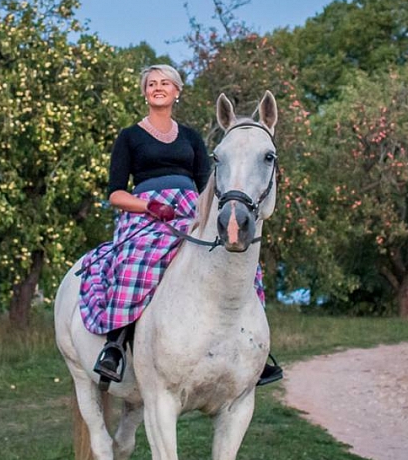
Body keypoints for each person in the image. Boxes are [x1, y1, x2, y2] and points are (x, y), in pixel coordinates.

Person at [75, 64, 283, 387]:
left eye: (165, 83)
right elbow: (115, 194)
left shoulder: (190, 137)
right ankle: (115, 346)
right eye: (151, 83)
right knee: (136, 260)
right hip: (145, 213)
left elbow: (209, 185)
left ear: (176, 91)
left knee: (244, 266)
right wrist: (148, 206)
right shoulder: (129, 137)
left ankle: (252, 352)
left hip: (190, 210)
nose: (158, 88)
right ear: (145, 92)